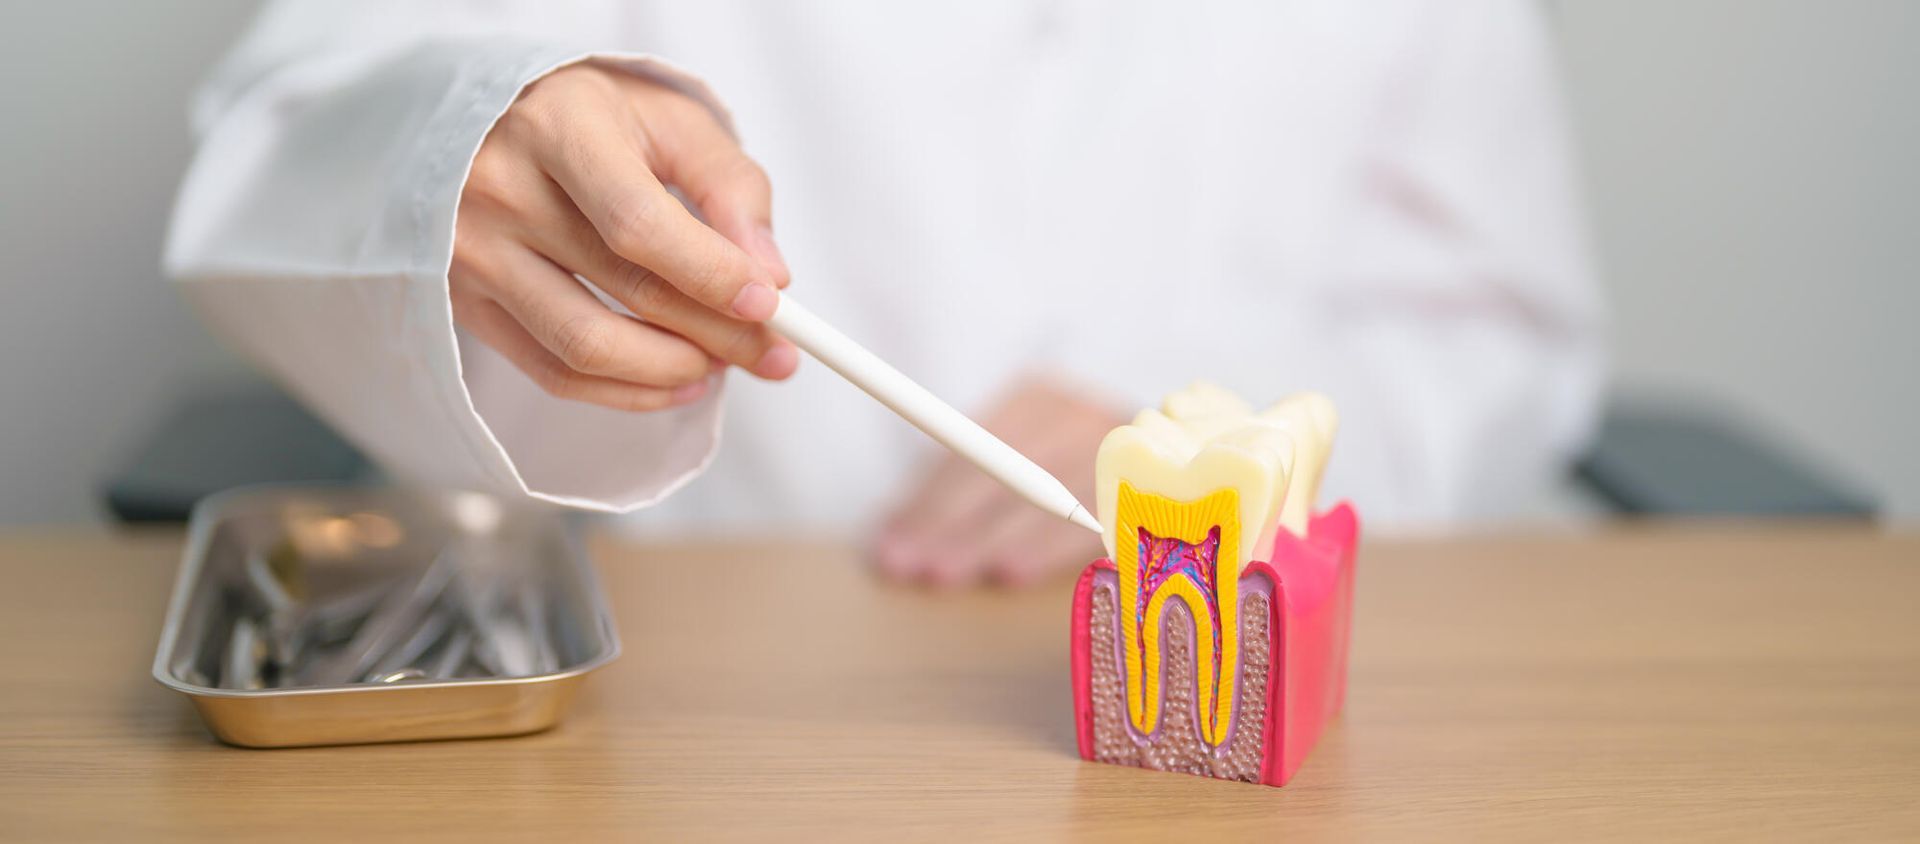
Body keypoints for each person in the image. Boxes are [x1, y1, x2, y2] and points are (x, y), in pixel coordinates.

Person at [167, 1, 1603, 588]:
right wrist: (461, 153)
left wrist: (1224, 442)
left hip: (1227, 715)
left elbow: (1494, 339)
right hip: (676, 708)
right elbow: (271, 148)